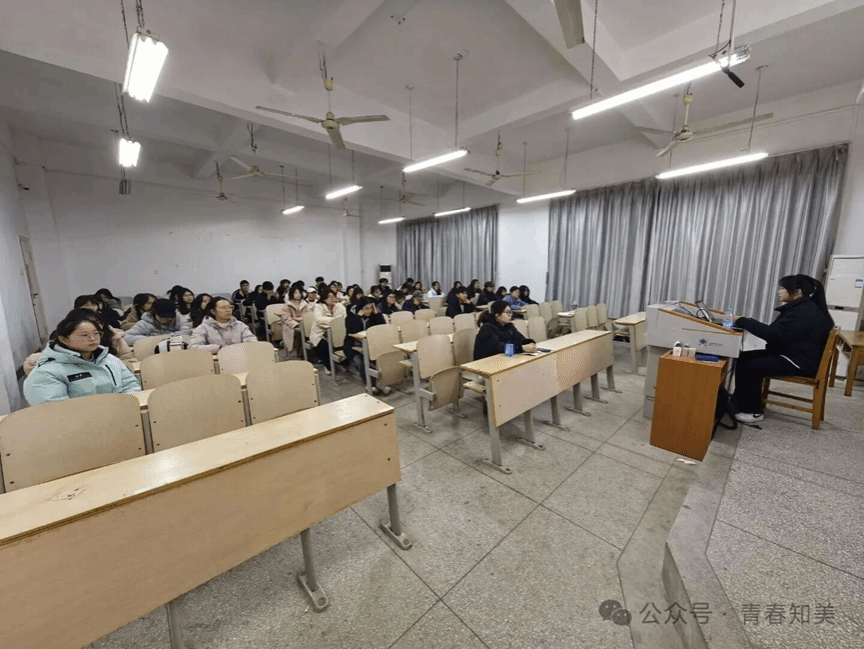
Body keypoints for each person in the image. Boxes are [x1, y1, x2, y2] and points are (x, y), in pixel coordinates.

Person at [731, 274, 834, 424]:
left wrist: (743, 321)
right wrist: (746, 321)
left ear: (797, 292)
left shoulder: (803, 312)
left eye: (783, 288)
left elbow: (772, 335)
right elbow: (776, 332)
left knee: (752, 366)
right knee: (745, 357)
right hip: (793, 354)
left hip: (798, 361)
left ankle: (753, 411)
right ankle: (740, 401)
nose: (779, 291)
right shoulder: (803, 308)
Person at [24, 309, 140, 405]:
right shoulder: (45, 373)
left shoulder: (109, 359)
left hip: (121, 416)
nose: (93, 339)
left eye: (96, 333)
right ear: (64, 339)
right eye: (85, 335)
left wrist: (124, 408)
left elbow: (131, 386)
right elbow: (57, 411)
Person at [344, 296, 389, 392]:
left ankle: (381, 383)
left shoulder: (372, 316)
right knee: (361, 361)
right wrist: (358, 317)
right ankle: (372, 384)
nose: (369, 311)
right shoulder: (350, 317)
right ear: (360, 309)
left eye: (371, 308)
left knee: (380, 359)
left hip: (369, 345)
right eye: (366, 308)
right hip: (353, 346)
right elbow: (353, 331)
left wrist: (377, 314)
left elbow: (382, 327)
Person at [189, 297, 257, 354]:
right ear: (213, 311)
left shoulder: (239, 325)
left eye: (230, 307)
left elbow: (252, 339)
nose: (228, 310)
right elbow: (193, 347)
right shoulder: (203, 328)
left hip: (240, 358)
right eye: (223, 308)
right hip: (216, 361)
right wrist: (219, 348)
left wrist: (245, 345)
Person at [310, 289, 347, 375]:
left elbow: (344, 316)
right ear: (324, 299)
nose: (332, 299)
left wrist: (336, 322)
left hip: (336, 331)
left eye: (333, 296)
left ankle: (341, 362)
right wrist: (334, 321)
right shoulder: (319, 306)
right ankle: (327, 365)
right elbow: (318, 319)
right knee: (324, 345)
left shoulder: (339, 306)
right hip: (320, 332)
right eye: (329, 297)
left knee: (344, 341)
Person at [125, 298, 192, 344]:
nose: (165, 320)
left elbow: (187, 331)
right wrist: (153, 339)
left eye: (168, 318)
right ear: (154, 312)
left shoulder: (178, 318)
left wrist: (166, 337)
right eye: (161, 317)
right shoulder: (145, 323)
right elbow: (127, 337)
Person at [282, 284, 310, 358]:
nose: (298, 295)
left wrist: (297, 319)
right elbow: (287, 319)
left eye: (299, 293)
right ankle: (301, 355)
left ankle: (311, 353)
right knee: (300, 332)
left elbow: (308, 316)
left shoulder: (305, 304)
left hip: (304, 324)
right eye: (296, 293)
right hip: (291, 327)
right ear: (292, 294)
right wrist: (296, 323)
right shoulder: (287, 306)